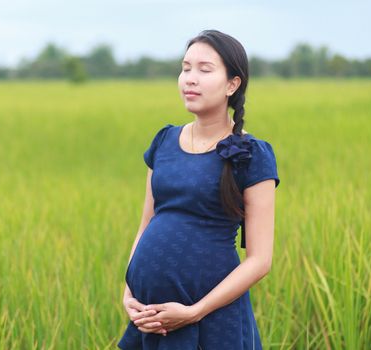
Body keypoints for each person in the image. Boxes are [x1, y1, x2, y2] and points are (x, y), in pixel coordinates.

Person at [117, 29, 280, 350]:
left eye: (204, 70)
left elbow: (260, 260)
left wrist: (194, 312)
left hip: (212, 316)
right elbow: (146, 226)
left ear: (232, 84)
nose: (189, 78)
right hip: (151, 316)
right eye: (185, 67)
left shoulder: (252, 154)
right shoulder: (164, 141)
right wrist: (129, 294)